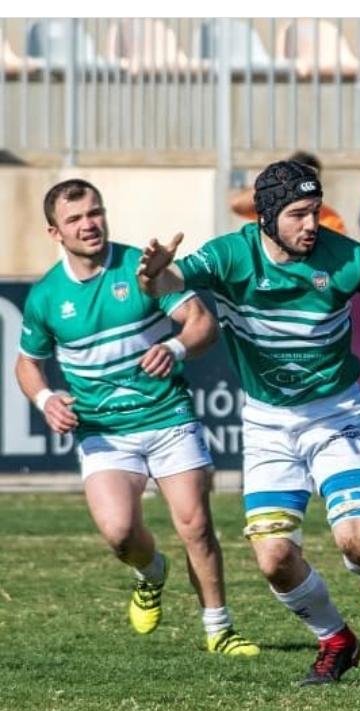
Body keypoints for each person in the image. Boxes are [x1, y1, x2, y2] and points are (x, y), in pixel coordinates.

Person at [137, 160, 360, 685]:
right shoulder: (232, 254)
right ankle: (336, 640)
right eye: (298, 213)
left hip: (336, 413)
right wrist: (153, 274)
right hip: (268, 425)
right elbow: (170, 280)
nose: (311, 223)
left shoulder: (344, 255)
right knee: (275, 558)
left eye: (314, 210)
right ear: (266, 217)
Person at [15, 179, 258, 658]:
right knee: (121, 534)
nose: (89, 224)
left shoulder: (141, 269)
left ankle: (219, 629)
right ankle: (150, 574)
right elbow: (27, 362)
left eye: (95, 212)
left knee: (196, 525)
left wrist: (172, 346)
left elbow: (202, 324)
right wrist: (45, 400)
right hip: (105, 434)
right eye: (75, 219)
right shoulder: (46, 297)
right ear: (54, 233)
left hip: (168, 418)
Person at [229, 150, 347, 235]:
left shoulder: (330, 219)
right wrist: (269, 184)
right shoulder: (271, 209)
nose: (310, 225)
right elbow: (236, 204)